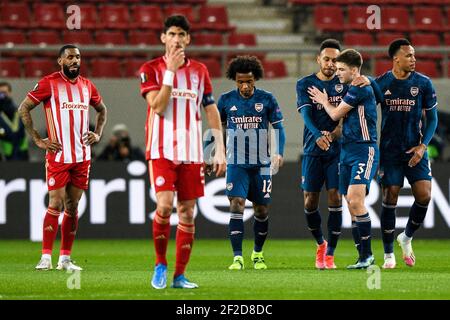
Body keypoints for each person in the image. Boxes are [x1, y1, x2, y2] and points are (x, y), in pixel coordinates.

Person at [139, 15, 226, 289]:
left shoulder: (200, 70)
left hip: (191, 151)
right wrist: (170, 72)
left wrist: (219, 148)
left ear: (188, 39)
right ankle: (160, 264)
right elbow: (158, 106)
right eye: (172, 34)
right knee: (164, 206)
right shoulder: (150, 68)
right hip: (161, 149)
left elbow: (210, 108)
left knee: (187, 213)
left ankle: (179, 275)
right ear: (163, 38)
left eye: (181, 34)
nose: (177, 39)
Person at [18, 44, 107, 271]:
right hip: (58, 155)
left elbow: (102, 110)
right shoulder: (49, 83)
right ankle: (46, 256)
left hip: (82, 156)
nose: (75, 60)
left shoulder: (88, 86)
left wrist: (97, 134)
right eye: (70, 57)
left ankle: (65, 259)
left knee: (73, 206)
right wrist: (38, 139)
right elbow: (24, 108)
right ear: (61, 61)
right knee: (55, 202)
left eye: (78, 57)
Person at [296, 39, 377, 269]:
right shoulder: (305, 83)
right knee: (310, 202)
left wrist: (333, 135)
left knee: (336, 199)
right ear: (318, 59)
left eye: (336, 61)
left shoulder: (349, 84)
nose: (332, 65)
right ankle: (320, 243)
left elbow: (342, 116)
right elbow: (306, 115)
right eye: (328, 59)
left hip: (338, 151)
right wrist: (318, 135)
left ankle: (330, 253)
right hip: (313, 149)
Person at [216, 55, 285, 271]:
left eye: (249, 81)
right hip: (236, 163)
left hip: (261, 164)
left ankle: (257, 253)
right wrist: (214, 154)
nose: (245, 86)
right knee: (236, 203)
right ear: (234, 80)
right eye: (240, 82)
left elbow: (279, 128)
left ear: (255, 79)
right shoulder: (226, 100)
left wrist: (279, 153)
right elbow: (217, 130)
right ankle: (237, 257)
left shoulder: (267, 99)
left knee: (261, 210)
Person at [375, 39, 438, 269]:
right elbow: (367, 112)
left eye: (414, 55)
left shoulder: (423, 83)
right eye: (409, 55)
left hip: (415, 150)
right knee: (390, 195)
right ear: (396, 58)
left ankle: (407, 237)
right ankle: (388, 254)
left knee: (424, 196)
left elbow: (432, 119)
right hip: (390, 152)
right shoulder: (382, 83)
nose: (413, 59)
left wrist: (423, 146)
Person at [0, 82, 29, 161]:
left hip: (22, 149)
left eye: (4, 93)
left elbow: (20, 129)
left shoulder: (18, 109)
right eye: (0, 93)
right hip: (6, 151)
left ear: (10, 93)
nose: (2, 96)